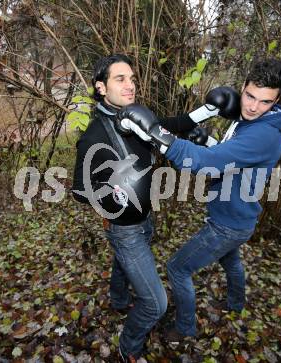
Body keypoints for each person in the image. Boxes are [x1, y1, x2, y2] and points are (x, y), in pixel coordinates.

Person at [71, 54, 239, 361]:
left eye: (132, 78)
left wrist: (207, 111)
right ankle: (129, 347)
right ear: (101, 87)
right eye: (120, 79)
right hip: (125, 231)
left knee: (122, 264)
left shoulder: (135, 119)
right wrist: (112, 198)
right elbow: (81, 192)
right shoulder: (93, 138)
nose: (130, 85)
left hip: (146, 220)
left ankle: (119, 299)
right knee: (156, 303)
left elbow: (171, 125)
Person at [116, 57, 281, 340]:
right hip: (239, 218)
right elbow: (232, 158)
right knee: (230, 262)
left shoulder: (264, 135)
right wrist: (209, 143)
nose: (252, 106)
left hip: (227, 225)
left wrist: (159, 136)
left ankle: (185, 329)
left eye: (264, 102)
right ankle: (236, 304)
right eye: (249, 96)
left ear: (278, 100)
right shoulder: (256, 122)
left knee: (177, 268)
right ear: (243, 86)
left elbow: (205, 164)